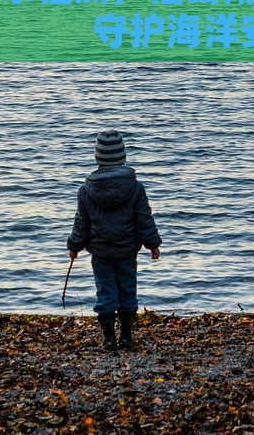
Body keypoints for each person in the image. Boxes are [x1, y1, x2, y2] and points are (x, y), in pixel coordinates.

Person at [66, 128, 162, 352]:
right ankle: (126, 336)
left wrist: (74, 246)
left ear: (97, 156)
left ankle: (109, 338)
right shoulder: (135, 188)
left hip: (101, 252)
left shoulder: (86, 190)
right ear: (123, 156)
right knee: (128, 290)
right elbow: (144, 219)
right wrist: (153, 244)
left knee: (106, 292)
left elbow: (82, 223)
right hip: (127, 250)